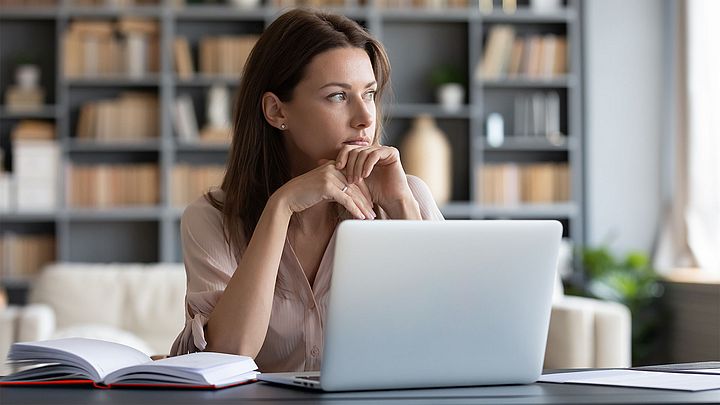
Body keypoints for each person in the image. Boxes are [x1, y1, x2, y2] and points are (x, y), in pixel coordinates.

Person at [170, 8, 444, 372]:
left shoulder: (407, 196)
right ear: (276, 111)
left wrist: (400, 207)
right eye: (337, 96)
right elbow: (228, 354)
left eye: (370, 94)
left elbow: (446, 335)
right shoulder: (211, 219)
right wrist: (279, 208)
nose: (365, 117)